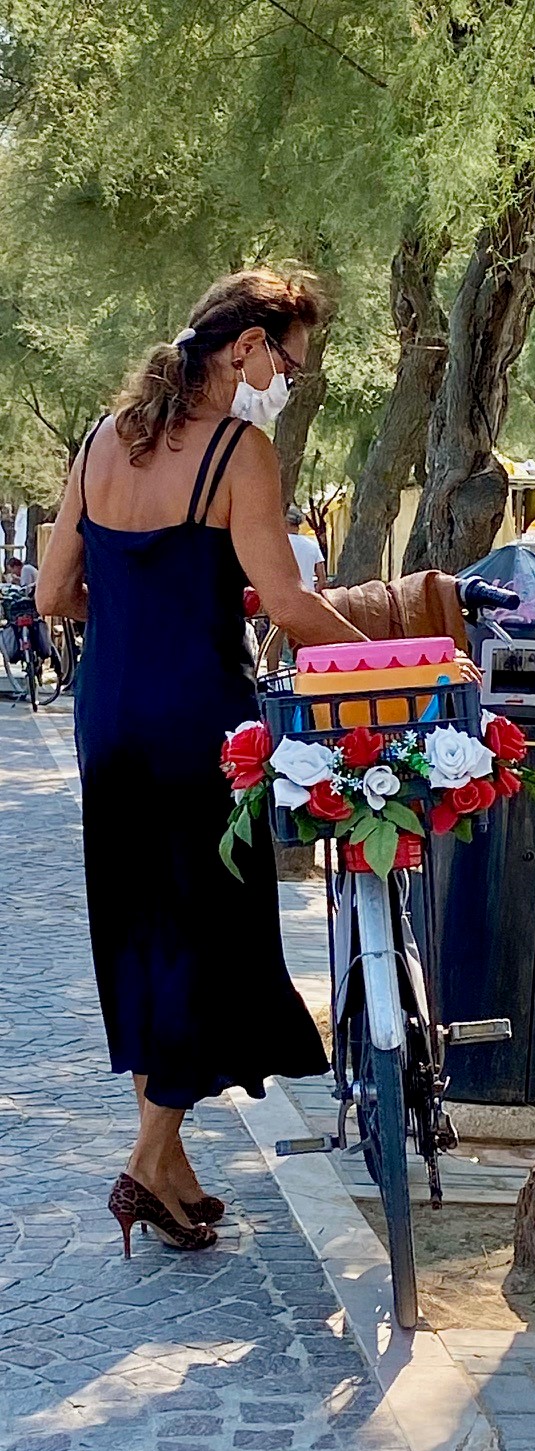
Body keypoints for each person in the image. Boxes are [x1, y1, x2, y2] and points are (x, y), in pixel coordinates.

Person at [36, 269, 370, 1258]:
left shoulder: (101, 439)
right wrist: (389, 657)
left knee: (141, 929)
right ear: (246, 348)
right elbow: (290, 604)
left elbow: (57, 595)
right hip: (199, 726)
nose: (294, 376)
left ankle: (172, 1177)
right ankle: (146, 1160)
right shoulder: (241, 452)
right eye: (291, 357)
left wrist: (137, 624)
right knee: (211, 936)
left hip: (108, 719)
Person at [286, 506, 326, 592]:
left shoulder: (279, 544)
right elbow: (322, 579)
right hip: (307, 596)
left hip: (283, 597)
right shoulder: (312, 545)